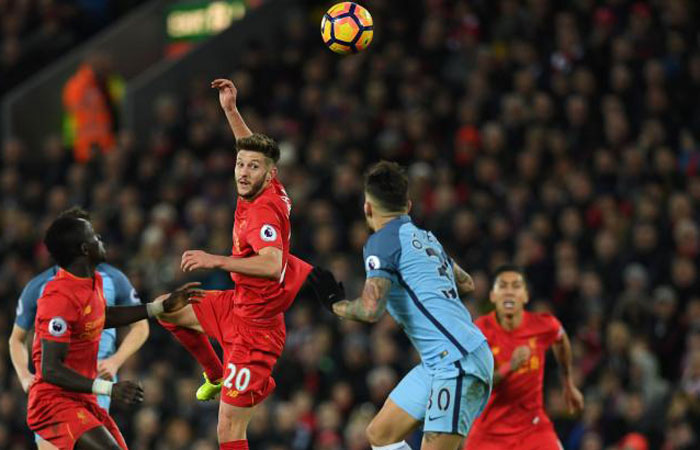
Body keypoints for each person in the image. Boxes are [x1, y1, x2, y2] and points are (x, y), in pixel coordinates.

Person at [156, 78, 340, 450]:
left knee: (228, 431)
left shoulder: (263, 215)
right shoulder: (268, 183)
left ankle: (231, 373)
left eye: (252, 167)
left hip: (255, 333)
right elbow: (252, 147)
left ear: (268, 174)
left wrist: (215, 260)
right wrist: (230, 110)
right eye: (240, 164)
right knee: (167, 308)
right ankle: (216, 372)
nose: (242, 172)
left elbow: (272, 264)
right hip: (237, 307)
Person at [323, 161, 494, 450]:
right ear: (409, 205)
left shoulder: (381, 242)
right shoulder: (427, 239)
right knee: (381, 434)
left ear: (368, 207)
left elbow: (370, 310)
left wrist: (335, 305)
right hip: (440, 361)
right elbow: (466, 283)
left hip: (455, 363)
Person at [26, 212, 201, 449]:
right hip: (54, 403)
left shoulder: (93, 281)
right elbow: (50, 368)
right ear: (85, 249)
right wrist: (107, 388)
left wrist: (159, 307)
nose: (100, 239)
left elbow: (101, 316)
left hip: (82, 398)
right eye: (94, 236)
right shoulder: (58, 298)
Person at [9, 207, 149, 450]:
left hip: (95, 389)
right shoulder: (44, 289)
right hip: (62, 393)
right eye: (91, 234)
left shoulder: (107, 279)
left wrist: (116, 360)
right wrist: (24, 376)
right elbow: (17, 340)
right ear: (80, 247)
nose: (98, 238)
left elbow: (138, 326)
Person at [463, 265, 585, 450]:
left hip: (533, 428)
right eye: (503, 286)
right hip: (490, 433)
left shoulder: (542, 325)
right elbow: (478, 384)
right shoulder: (480, 332)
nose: (509, 292)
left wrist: (568, 383)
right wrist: (510, 367)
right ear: (493, 296)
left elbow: (560, 339)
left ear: (526, 296)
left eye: (516, 286)